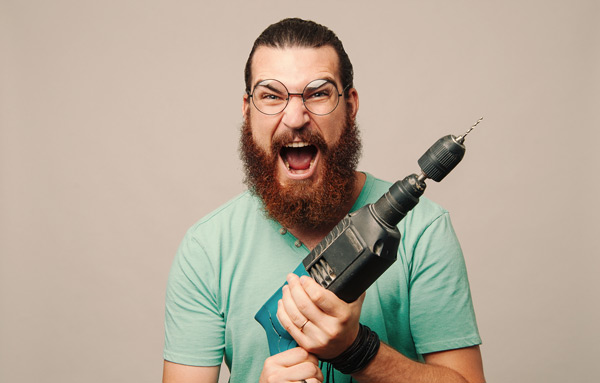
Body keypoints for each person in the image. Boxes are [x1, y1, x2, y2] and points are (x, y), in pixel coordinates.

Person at [163, 18, 485, 383]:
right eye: (271, 95)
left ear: (350, 104)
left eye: (318, 93)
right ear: (247, 108)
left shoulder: (423, 230)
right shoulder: (207, 248)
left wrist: (358, 351)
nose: (296, 117)